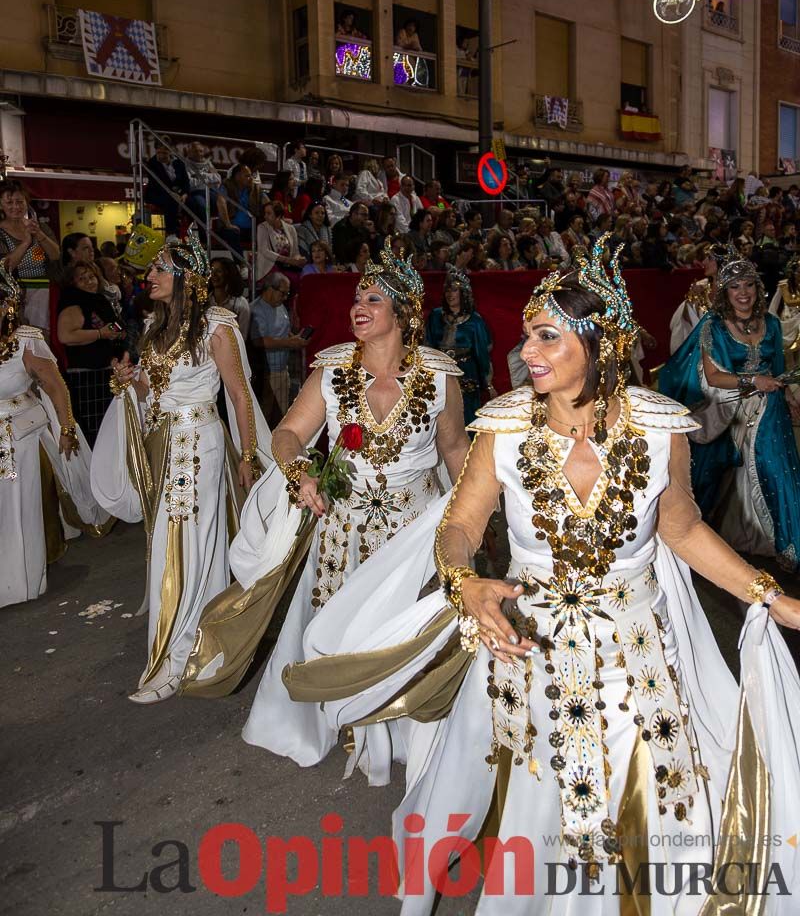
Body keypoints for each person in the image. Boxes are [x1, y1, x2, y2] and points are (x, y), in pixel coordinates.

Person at [286, 236, 800, 912]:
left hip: (636, 657)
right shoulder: (501, 426)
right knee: (541, 799)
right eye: (529, 335)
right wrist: (464, 582)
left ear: (601, 344)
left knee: (655, 800)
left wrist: (767, 594)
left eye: (548, 337)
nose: (526, 351)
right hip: (529, 651)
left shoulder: (658, 427)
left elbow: (681, 528)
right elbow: (462, 526)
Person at [182, 248, 469, 788]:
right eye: (357, 297)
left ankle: (401, 726)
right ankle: (340, 719)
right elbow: (288, 435)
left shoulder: (439, 377)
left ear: (404, 312)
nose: (359, 306)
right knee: (336, 622)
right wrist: (301, 476)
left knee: (398, 631)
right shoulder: (333, 368)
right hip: (343, 527)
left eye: (373, 299)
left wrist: (473, 527)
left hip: (412, 533)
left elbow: (455, 451)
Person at [91, 227, 271, 704]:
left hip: (201, 448)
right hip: (165, 447)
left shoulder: (217, 325)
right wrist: (130, 383)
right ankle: (180, 647)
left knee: (188, 545)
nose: (148, 275)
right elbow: (155, 394)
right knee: (171, 545)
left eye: (158, 268)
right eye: (149, 269)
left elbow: (239, 395)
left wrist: (248, 456)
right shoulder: (155, 328)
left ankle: (180, 657)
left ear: (184, 275)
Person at [660, 248, 800, 567]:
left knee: (775, 467)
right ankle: (724, 536)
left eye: (748, 285)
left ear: (758, 288)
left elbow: (777, 364)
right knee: (717, 474)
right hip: (730, 408)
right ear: (725, 291)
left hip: (769, 408)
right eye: (735, 286)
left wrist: (789, 396)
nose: (743, 293)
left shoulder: (772, 324)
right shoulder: (715, 328)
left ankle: (790, 543)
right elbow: (714, 376)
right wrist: (753, 381)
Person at [0, 264, 110, 608]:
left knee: (19, 507)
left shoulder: (26, 341)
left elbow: (55, 386)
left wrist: (66, 428)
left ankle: (20, 581)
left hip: (20, 439)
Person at [56, 262, 125, 445]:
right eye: (82, 278)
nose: (89, 282)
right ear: (72, 283)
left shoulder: (97, 300)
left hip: (103, 372)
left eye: (91, 276)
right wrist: (101, 333)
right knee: (95, 433)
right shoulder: (74, 301)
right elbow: (65, 335)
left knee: (107, 432)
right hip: (86, 376)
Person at [425, 266, 493, 424]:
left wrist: (487, 384)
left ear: (463, 293)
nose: (450, 294)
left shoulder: (475, 321)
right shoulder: (435, 316)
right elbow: (428, 347)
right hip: (440, 372)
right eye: (447, 290)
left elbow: (482, 354)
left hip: (466, 373)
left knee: (466, 414)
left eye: (454, 290)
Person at [0, 183, 59, 332]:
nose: (16, 206)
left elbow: (55, 255)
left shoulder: (39, 227)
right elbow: (6, 267)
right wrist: (26, 242)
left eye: (20, 201)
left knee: (42, 337)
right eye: (9, 202)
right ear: (1, 205)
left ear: (26, 202)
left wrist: (38, 234)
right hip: (11, 297)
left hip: (44, 294)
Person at [249, 273, 308, 420]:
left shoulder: (279, 306)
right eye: (283, 293)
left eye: (287, 294)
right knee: (266, 415)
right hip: (266, 374)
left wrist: (293, 338)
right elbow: (259, 341)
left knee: (282, 415)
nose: (285, 297)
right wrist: (289, 343)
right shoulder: (256, 310)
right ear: (269, 289)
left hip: (282, 370)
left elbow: (282, 330)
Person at [669, 242, 722, 352]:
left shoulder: (735, 290)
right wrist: (692, 300)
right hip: (699, 351)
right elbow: (682, 322)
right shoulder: (701, 286)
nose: (704, 262)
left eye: (709, 258)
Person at [143, 141, 191, 235]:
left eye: (164, 153)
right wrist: (171, 194)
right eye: (159, 153)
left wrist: (185, 194)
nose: (161, 156)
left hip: (178, 193)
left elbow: (186, 181)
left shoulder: (179, 163)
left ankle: (193, 233)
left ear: (170, 151)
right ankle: (172, 233)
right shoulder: (152, 163)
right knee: (171, 201)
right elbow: (156, 183)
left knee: (193, 202)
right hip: (157, 193)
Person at [255, 201, 304, 283]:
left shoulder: (291, 229)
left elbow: (295, 251)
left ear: (278, 216)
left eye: (269, 213)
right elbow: (264, 251)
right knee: (281, 280)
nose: (265, 216)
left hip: (288, 266)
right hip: (270, 266)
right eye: (265, 213)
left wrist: (298, 259)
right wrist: (287, 260)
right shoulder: (262, 227)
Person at [218, 163, 259, 251]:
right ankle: (241, 264)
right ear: (237, 176)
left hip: (250, 229)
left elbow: (268, 203)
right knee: (233, 233)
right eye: (247, 176)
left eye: (251, 176)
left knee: (264, 232)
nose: (250, 178)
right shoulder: (226, 185)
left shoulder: (253, 189)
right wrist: (228, 224)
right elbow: (221, 202)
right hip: (229, 227)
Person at [209, 258, 250, 339]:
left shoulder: (241, 303)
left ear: (228, 274)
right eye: (211, 271)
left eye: (219, 271)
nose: (213, 275)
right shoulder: (204, 301)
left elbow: (242, 337)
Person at [184, 141, 222, 222]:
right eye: (195, 151)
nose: (199, 154)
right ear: (189, 152)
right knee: (202, 206)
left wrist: (200, 176)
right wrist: (208, 178)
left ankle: (221, 229)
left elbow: (218, 178)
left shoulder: (208, 163)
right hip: (195, 193)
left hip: (209, 191)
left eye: (200, 151)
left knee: (223, 202)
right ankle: (204, 233)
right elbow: (190, 184)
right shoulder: (184, 164)